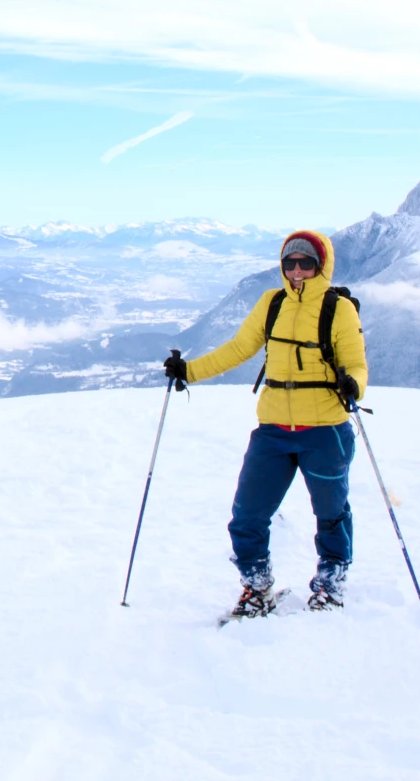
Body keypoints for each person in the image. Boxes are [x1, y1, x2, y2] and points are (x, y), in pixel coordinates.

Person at [162, 230, 368, 617]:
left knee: (331, 513)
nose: (296, 271)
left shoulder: (339, 309)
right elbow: (239, 349)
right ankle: (257, 588)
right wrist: (189, 370)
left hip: (325, 429)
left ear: (321, 265)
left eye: (306, 262)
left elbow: (356, 363)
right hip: (273, 429)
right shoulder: (271, 303)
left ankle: (330, 584)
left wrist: (355, 384)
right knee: (247, 516)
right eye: (289, 262)